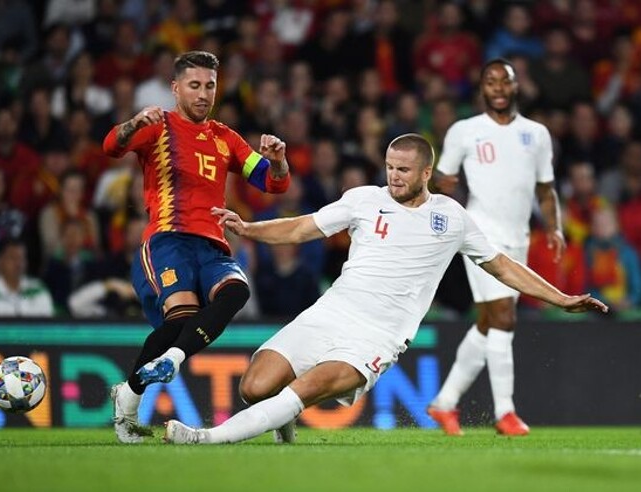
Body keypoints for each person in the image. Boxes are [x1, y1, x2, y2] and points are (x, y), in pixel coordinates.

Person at [162, 133, 607, 446]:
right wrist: (249, 228)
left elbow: (503, 266)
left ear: (426, 172)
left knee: (307, 388)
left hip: (378, 336)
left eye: (404, 170)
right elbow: (301, 228)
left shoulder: (451, 218)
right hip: (330, 311)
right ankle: (283, 422)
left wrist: (561, 298)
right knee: (255, 387)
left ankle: (206, 438)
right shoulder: (363, 199)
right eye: (390, 167)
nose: (394, 176)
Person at [101, 50, 290, 444]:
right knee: (179, 323)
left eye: (210, 86)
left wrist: (277, 161)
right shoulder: (157, 126)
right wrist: (133, 122)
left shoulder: (225, 138)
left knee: (237, 291)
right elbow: (111, 147)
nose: (203, 94)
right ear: (176, 88)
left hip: (213, 246)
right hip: (168, 240)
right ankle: (130, 396)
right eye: (194, 86)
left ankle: (169, 361)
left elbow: (272, 183)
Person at [427, 58, 566, 436]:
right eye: (491, 82)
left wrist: (554, 226)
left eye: (505, 81)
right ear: (482, 89)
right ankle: (505, 412)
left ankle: (444, 403)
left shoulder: (536, 134)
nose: (499, 88)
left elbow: (545, 189)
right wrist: (440, 185)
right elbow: (440, 180)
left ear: (516, 86)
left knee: (489, 323)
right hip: (480, 235)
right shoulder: (464, 131)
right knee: (504, 317)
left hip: (518, 237)